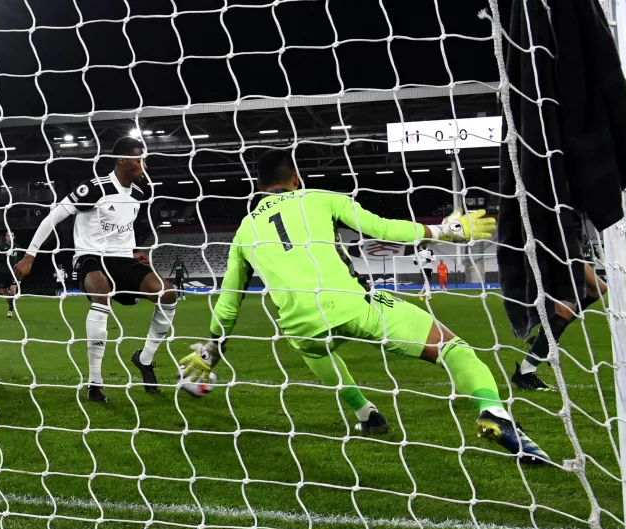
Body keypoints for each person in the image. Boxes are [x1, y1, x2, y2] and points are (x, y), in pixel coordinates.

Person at [178, 149, 549, 464]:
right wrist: (443, 231)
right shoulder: (319, 197)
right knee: (454, 349)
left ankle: (366, 414)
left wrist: (213, 347)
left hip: (300, 326)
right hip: (354, 305)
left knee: (314, 350)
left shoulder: (244, 232)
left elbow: (229, 302)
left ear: (259, 187)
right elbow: (383, 229)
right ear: (296, 179)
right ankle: (493, 413)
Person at [15, 136, 177, 402]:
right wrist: (29, 255)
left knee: (167, 294)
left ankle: (144, 359)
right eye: (139, 159)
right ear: (122, 160)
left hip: (123, 259)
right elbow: (54, 216)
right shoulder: (94, 188)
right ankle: (95, 382)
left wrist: (133, 250)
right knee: (101, 292)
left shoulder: (139, 194)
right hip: (90, 258)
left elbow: (123, 229)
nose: (143, 164)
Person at [511, 263, 607, 391]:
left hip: (569, 252)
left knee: (598, 289)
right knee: (566, 307)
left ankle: (544, 338)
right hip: (553, 254)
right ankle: (525, 371)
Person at [0, 232, 25, 318]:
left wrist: (20, 264)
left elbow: (21, 257)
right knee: (5, 293)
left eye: (11, 235)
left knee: (13, 291)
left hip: (13, 272)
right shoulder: (1, 247)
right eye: (8, 236)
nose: (10, 237)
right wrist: (5, 255)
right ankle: (11, 304)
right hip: (3, 272)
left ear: (14, 237)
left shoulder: (17, 247)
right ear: (6, 237)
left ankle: (10, 310)